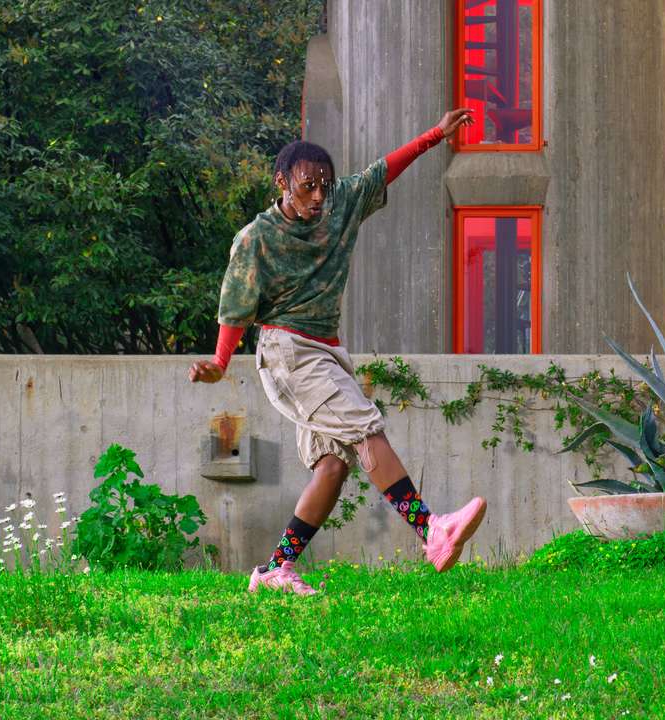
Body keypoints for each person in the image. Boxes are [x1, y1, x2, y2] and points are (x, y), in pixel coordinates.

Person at [189, 108, 486, 596]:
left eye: (324, 185)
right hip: (286, 352)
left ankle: (274, 571)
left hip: (325, 353)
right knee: (366, 428)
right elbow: (236, 309)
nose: (318, 196)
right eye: (307, 186)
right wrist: (220, 364)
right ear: (282, 181)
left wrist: (436, 134)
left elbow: (382, 170)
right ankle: (431, 530)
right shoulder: (256, 238)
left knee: (333, 464)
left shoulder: (339, 205)